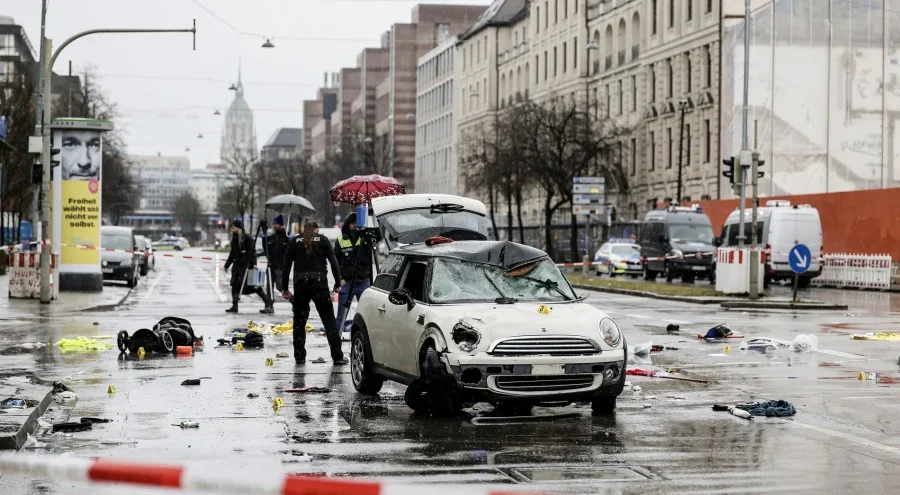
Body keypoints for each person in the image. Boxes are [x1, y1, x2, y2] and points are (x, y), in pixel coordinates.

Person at [281, 221, 345, 365]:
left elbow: (286, 266)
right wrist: (337, 282)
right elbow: (333, 262)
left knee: (299, 323)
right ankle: (337, 356)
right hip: (319, 285)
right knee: (329, 322)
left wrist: (285, 288)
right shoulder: (323, 240)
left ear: (304, 230)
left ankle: (299, 356)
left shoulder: (294, 241)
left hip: (301, 286)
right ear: (317, 230)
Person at [334, 212, 374, 332]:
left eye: (357, 223)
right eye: (353, 223)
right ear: (348, 224)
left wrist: (371, 221)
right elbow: (335, 262)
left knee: (366, 314)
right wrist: (339, 279)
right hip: (347, 282)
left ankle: (364, 337)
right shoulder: (341, 239)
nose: (355, 226)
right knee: (341, 315)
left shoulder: (365, 238)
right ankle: (336, 340)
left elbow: (378, 237)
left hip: (363, 281)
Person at [224, 219, 274, 314]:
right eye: (232, 227)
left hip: (247, 266)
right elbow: (232, 253)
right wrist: (227, 265)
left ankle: (268, 303)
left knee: (255, 286)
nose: (233, 229)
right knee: (235, 286)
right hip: (237, 267)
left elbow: (252, 251)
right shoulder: (234, 239)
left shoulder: (247, 238)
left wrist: (254, 264)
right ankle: (235, 306)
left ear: (239, 228)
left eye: (234, 227)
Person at [266, 215, 290, 294]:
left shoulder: (286, 239)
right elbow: (266, 249)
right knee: (269, 286)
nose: (274, 225)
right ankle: (269, 304)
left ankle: (293, 300)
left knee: (280, 286)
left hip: (280, 267)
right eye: (274, 224)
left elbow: (289, 253)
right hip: (271, 266)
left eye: (276, 224)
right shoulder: (271, 237)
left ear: (281, 225)